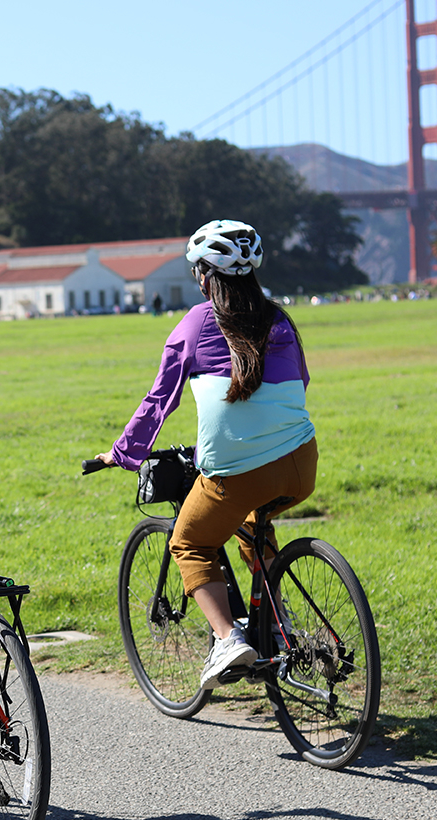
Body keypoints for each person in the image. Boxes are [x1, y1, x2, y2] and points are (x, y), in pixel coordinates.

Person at [96, 219, 317, 690]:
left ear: (204, 275)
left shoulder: (196, 323)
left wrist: (122, 453)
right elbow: (300, 385)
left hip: (238, 472)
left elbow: (160, 400)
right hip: (301, 463)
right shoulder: (281, 319)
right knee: (254, 525)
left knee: (189, 541)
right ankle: (280, 625)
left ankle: (228, 639)